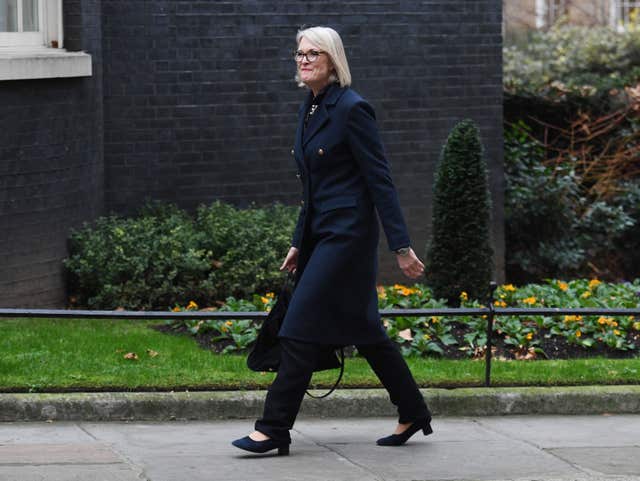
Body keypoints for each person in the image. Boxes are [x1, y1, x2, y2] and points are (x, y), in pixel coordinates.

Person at [232, 26, 432, 456]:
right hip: (321, 237)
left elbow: (381, 182)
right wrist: (298, 241)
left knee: (299, 325)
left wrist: (400, 246)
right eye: (298, 54)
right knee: (367, 331)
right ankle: (413, 410)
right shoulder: (309, 108)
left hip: (348, 239)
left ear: (332, 59)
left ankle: (273, 428)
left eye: (312, 54)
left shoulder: (352, 109)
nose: (303, 60)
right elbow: (314, 188)